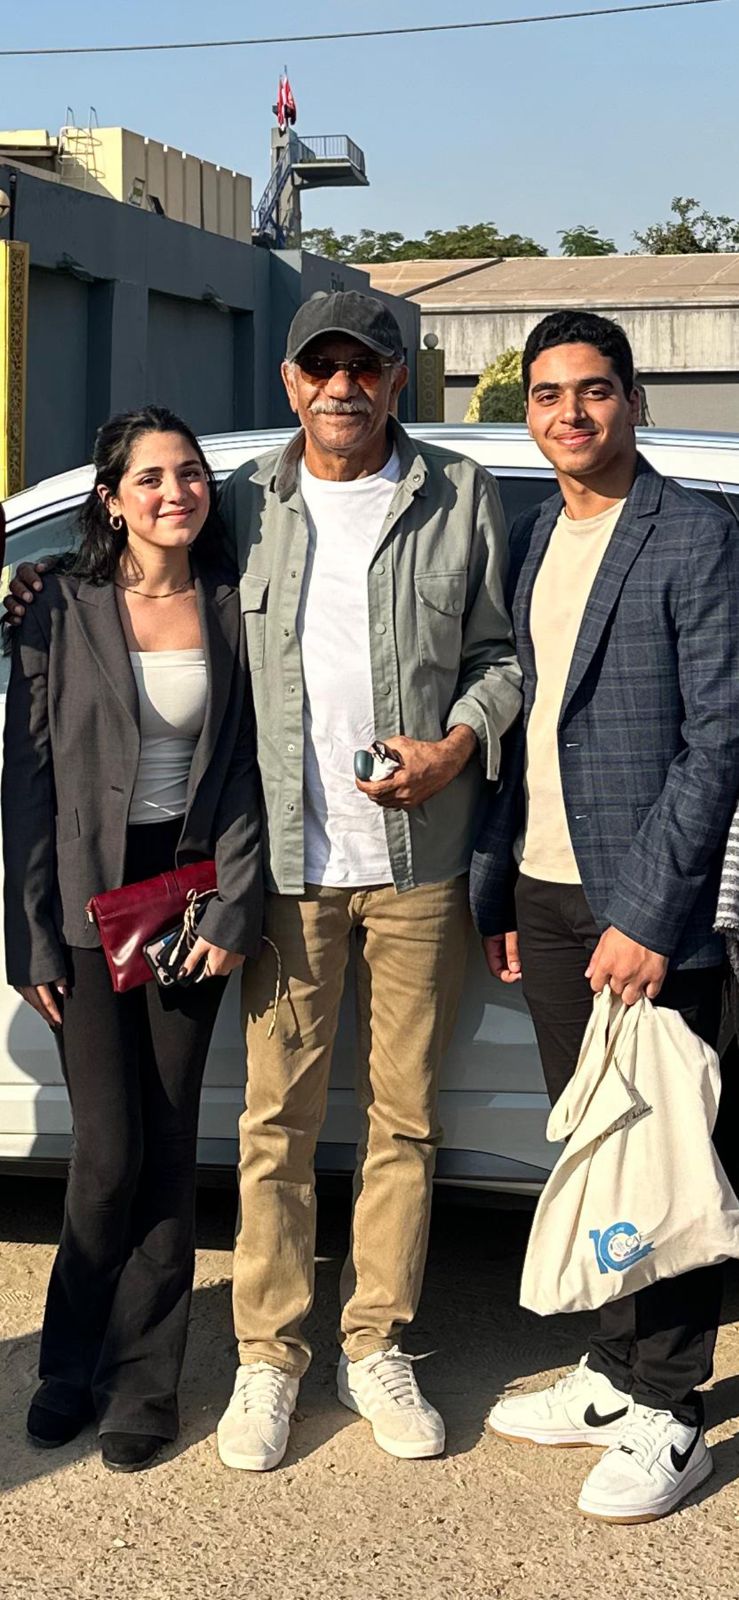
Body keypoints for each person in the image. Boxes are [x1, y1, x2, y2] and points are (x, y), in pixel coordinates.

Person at [8, 290, 521, 1474]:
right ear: (290, 383)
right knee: (252, 1128)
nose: (342, 384)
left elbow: (498, 658)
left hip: (379, 866)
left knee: (396, 1120)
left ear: (395, 377)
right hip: (264, 871)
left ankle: (370, 1344)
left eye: (365, 365)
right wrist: (29, 589)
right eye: (320, 366)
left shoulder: (457, 494)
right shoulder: (244, 500)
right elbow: (96, 631)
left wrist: (454, 746)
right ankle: (263, 1357)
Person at [470, 310, 739, 1524]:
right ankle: (615, 1370)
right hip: (545, 892)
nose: (568, 412)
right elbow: (534, 723)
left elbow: (717, 739)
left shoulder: (695, 534)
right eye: (547, 394)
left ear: (630, 399)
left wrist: (646, 911)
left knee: (664, 1144)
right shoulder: (539, 535)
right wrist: (502, 887)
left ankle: (671, 1406)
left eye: (591, 389)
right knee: (595, 1144)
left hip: (644, 909)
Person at [2, 405, 263, 1473]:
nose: (174, 492)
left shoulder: (235, 603)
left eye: (189, 473)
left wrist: (234, 907)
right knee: (106, 1153)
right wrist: (31, 938)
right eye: (150, 477)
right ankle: (69, 1360)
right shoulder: (56, 606)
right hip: (86, 897)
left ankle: (146, 1381)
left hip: (187, 894)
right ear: (111, 499)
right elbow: (28, 780)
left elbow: (248, 769)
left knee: (167, 1143)